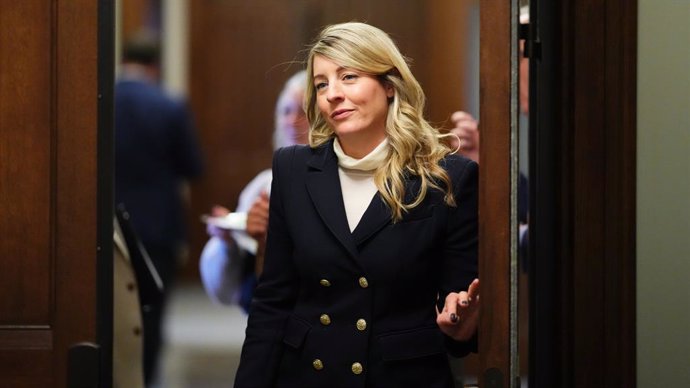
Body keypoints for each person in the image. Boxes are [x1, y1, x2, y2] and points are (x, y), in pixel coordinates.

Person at [233, 22, 479, 388]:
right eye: (321, 84)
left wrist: (461, 327)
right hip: (307, 376)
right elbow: (272, 302)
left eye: (348, 77)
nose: (332, 93)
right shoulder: (293, 168)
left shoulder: (446, 177)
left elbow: (459, 315)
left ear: (390, 86)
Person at [114, 31, 204, 385]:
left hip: (109, 224)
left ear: (122, 62)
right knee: (150, 311)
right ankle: (146, 378)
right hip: (157, 224)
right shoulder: (169, 106)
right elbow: (193, 166)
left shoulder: (97, 104)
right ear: (155, 67)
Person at [199, 70, 309, 312]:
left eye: (303, 112)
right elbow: (228, 292)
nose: (292, 121)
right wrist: (226, 240)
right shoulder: (263, 186)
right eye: (286, 111)